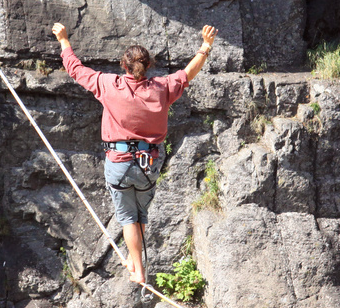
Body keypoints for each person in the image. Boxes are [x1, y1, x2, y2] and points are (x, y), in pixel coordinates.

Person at [52, 22, 219, 284]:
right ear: (149, 65)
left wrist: (63, 39)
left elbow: (76, 70)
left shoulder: (109, 85)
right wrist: (206, 46)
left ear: (124, 66)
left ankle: (139, 270)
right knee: (140, 215)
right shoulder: (161, 88)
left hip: (119, 162)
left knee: (128, 218)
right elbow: (188, 73)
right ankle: (134, 258)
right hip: (149, 164)